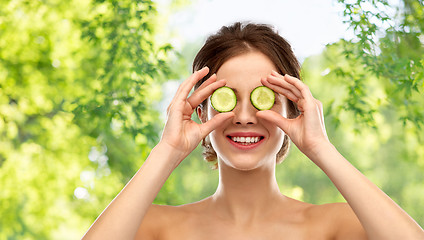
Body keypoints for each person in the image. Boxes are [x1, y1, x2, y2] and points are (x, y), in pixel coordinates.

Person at [82, 22, 424, 239]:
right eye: (226, 99)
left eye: (264, 100)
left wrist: (322, 148)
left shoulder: (334, 226)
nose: (245, 116)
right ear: (200, 111)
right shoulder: (157, 228)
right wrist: (167, 151)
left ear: (295, 109)